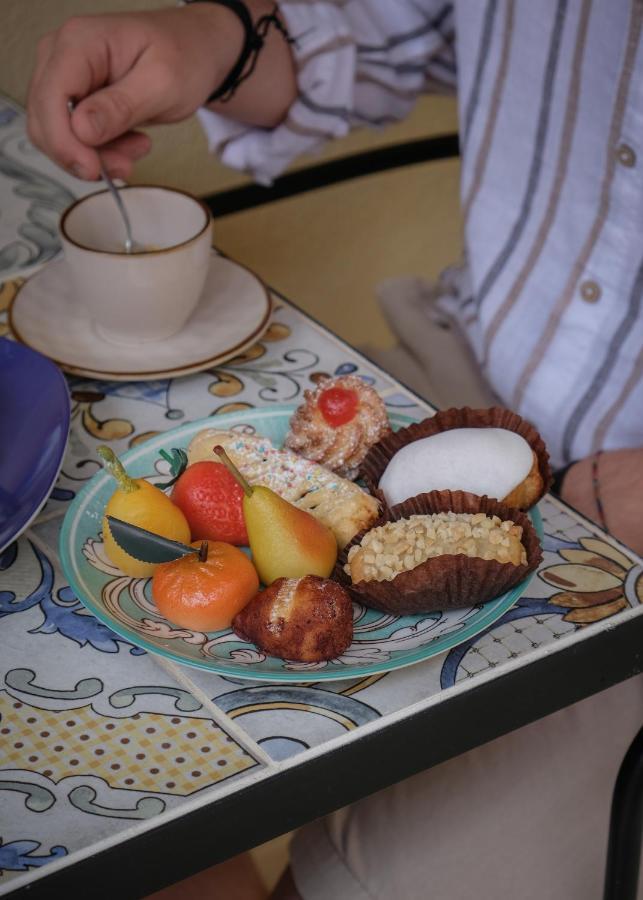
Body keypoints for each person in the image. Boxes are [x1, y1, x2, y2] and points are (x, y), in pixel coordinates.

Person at [27, 2, 643, 898]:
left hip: (623, 530)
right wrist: (222, 44)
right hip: (467, 368)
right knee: (90, 714)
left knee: (388, 876)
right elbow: (403, 28)